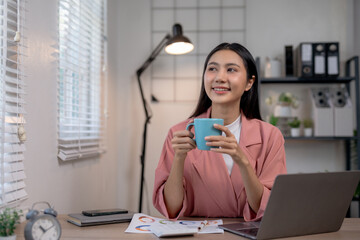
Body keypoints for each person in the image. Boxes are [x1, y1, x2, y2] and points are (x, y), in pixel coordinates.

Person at [152, 43, 287, 221]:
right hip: (195, 234)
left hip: (247, 234)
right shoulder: (179, 133)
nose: (219, 77)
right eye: (212, 69)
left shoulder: (270, 136)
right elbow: (170, 208)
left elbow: (270, 207)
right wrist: (179, 158)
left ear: (249, 82)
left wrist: (242, 161)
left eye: (231, 70)